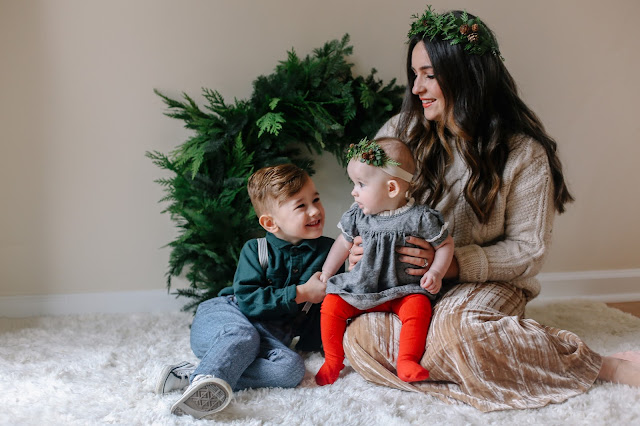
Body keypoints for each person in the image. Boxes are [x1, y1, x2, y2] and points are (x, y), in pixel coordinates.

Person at [340, 6, 640, 412]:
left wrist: (453, 264)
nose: (416, 88)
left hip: (484, 284)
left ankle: (597, 365)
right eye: (415, 74)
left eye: (429, 75)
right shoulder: (398, 133)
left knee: (458, 338)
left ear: (466, 76)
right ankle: (469, 367)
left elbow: (528, 250)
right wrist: (358, 248)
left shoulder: (522, 153)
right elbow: (366, 203)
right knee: (359, 342)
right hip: (404, 286)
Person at [156, 163, 338, 419]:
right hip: (226, 318)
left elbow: (339, 300)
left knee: (291, 369)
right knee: (243, 334)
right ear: (270, 223)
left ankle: (195, 377)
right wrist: (302, 293)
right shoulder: (256, 250)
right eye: (301, 206)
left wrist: (354, 262)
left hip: (270, 339)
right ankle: (208, 376)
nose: (315, 210)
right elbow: (249, 302)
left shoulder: (330, 252)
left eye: (316, 199)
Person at [314, 137, 454, 386]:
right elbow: (343, 243)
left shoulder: (419, 218)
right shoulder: (358, 215)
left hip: (403, 289)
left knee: (419, 308)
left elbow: (445, 245)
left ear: (391, 189)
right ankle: (333, 360)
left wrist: (437, 272)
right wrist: (326, 272)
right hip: (363, 287)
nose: (353, 191)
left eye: (360, 184)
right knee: (331, 306)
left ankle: (407, 361)